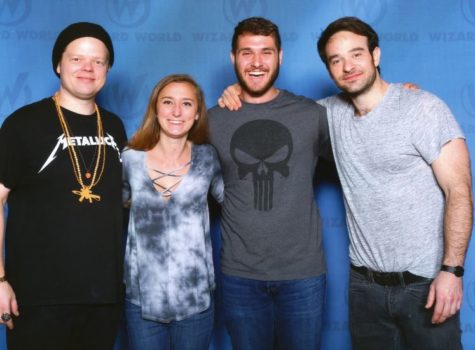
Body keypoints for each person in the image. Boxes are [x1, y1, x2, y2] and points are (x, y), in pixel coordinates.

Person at [315, 17, 473, 350]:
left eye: (356, 54)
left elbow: (458, 191)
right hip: (364, 288)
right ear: (329, 71)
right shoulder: (328, 115)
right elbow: (275, 113)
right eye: (336, 60)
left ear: (376, 55)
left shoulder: (423, 109)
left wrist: (452, 271)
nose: (348, 66)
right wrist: (236, 92)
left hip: (426, 285)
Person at [0, 22, 127, 349]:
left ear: (107, 70)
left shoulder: (114, 126)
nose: (88, 68)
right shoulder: (22, 124)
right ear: (58, 64)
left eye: (98, 61)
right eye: (77, 59)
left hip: (104, 298)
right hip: (39, 299)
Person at [208, 17, 331, 350]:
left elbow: (362, 136)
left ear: (281, 57)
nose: (257, 62)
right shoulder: (213, 120)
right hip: (239, 275)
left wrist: (395, 96)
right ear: (233, 58)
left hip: (303, 275)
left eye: (266, 52)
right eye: (247, 52)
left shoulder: (311, 115)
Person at [122, 74, 223, 350]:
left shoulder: (208, 158)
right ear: (156, 109)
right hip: (142, 299)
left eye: (187, 104)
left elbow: (236, 202)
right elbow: (110, 205)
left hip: (195, 299)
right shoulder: (130, 158)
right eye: (168, 102)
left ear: (197, 112)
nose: (177, 112)